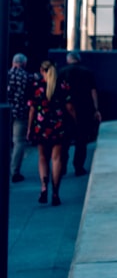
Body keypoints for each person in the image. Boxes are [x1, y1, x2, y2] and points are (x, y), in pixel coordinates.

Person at [27, 60, 74, 206]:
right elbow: (70, 107)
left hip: (41, 126)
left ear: (42, 70)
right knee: (56, 159)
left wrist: (29, 128)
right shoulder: (63, 85)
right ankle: (55, 192)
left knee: (42, 158)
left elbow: (32, 109)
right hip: (59, 127)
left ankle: (44, 186)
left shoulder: (36, 86)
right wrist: (75, 123)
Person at [60, 51, 101, 176]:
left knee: (64, 141)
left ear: (68, 60)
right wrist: (96, 109)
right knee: (81, 140)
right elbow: (93, 91)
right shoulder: (87, 72)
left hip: (64, 111)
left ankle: (61, 168)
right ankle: (78, 167)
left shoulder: (61, 72)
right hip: (84, 109)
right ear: (79, 60)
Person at [7, 53, 32, 182]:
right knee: (19, 142)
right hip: (21, 113)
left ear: (13, 62)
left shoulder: (5, 75)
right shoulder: (27, 77)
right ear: (24, 63)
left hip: (5, 113)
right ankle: (14, 171)